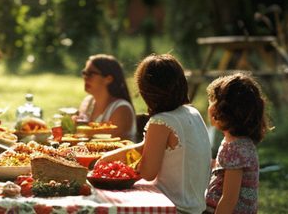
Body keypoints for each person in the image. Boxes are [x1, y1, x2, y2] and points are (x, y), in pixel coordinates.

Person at [98, 54, 211, 214]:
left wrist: (121, 167)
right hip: (196, 205)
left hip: (175, 207)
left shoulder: (162, 121)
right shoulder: (191, 112)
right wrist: (106, 159)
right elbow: (145, 147)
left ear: (146, 92)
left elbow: (148, 173)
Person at [204, 73, 269, 214]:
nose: (209, 106)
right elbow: (224, 169)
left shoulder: (235, 150)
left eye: (212, 101)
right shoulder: (236, 142)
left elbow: (229, 199)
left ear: (222, 112)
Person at [76, 54, 137, 140]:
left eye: (91, 74)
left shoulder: (121, 109)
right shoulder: (87, 102)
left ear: (108, 79)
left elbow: (116, 144)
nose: (85, 78)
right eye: (84, 73)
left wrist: (79, 130)